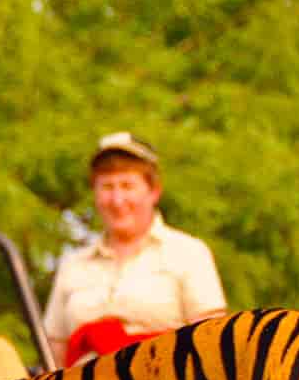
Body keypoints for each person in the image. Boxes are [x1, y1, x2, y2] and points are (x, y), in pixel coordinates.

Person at [41, 132, 226, 367]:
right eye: (107, 187)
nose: (117, 200)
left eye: (127, 185)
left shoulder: (189, 253)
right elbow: (52, 357)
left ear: (154, 192)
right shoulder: (73, 265)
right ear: (95, 194)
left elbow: (211, 349)